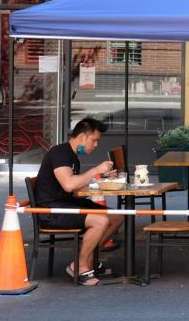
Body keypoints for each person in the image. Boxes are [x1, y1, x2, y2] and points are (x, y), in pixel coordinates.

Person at [34, 117, 123, 285]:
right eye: (94, 140)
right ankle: (80, 267)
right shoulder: (60, 153)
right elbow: (68, 185)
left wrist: (101, 176)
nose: (96, 145)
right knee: (100, 220)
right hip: (51, 210)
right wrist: (96, 170)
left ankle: (90, 260)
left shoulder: (71, 154)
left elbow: (75, 185)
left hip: (65, 203)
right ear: (82, 137)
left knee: (116, 217)